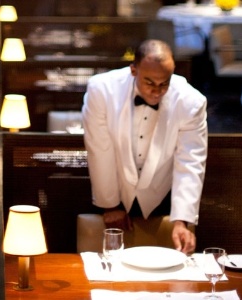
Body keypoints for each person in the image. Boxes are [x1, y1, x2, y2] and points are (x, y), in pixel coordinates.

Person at [81, 39, 207, 254]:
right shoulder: (101, 89)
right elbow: (100, 150)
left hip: (161, 193)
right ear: (133, 70)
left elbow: (190, 161)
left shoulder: (191, 101)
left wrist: (182, 219)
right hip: (113, 188)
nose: (157, 91)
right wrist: (110, 204)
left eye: (164, 83)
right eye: (149, 82)